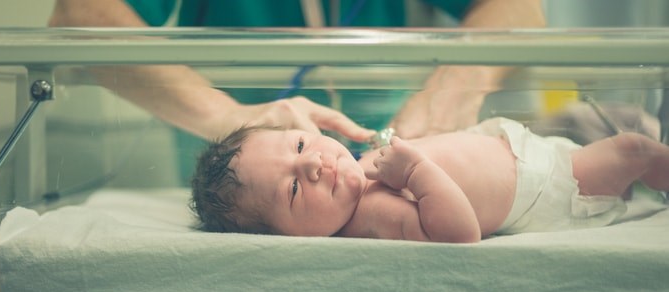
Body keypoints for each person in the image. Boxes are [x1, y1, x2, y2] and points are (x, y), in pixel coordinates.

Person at [48, 0, 546, 141]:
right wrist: (229, 120)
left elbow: (521, 10)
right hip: (234, 136)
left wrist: (456, 85)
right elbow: (81, 14)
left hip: (402, 132)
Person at [190, 117, 669, 243]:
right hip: (549, 184)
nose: (313, 164)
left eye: (298, 146)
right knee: (634, 150)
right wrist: (417, 173)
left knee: (629, 152)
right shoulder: (369, 216)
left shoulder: (352, 172)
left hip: (527, 152)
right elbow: (459, 233)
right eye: (293, 189)